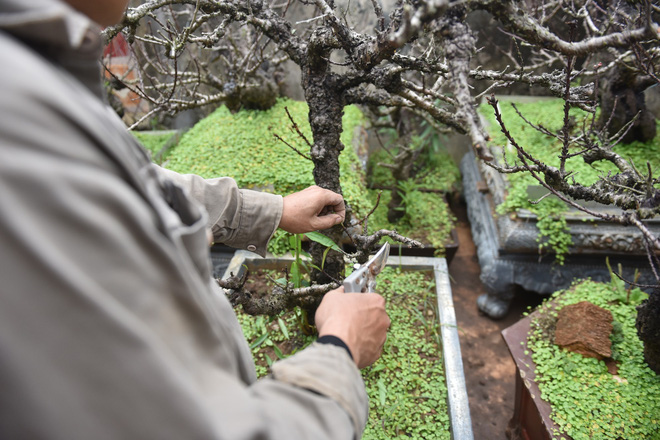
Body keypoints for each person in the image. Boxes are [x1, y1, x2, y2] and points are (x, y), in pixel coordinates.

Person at [0, 0, 391, 438]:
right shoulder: (17, 125)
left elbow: (141, 182)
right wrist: (339, 350)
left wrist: (273, 211)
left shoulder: (38, 74)